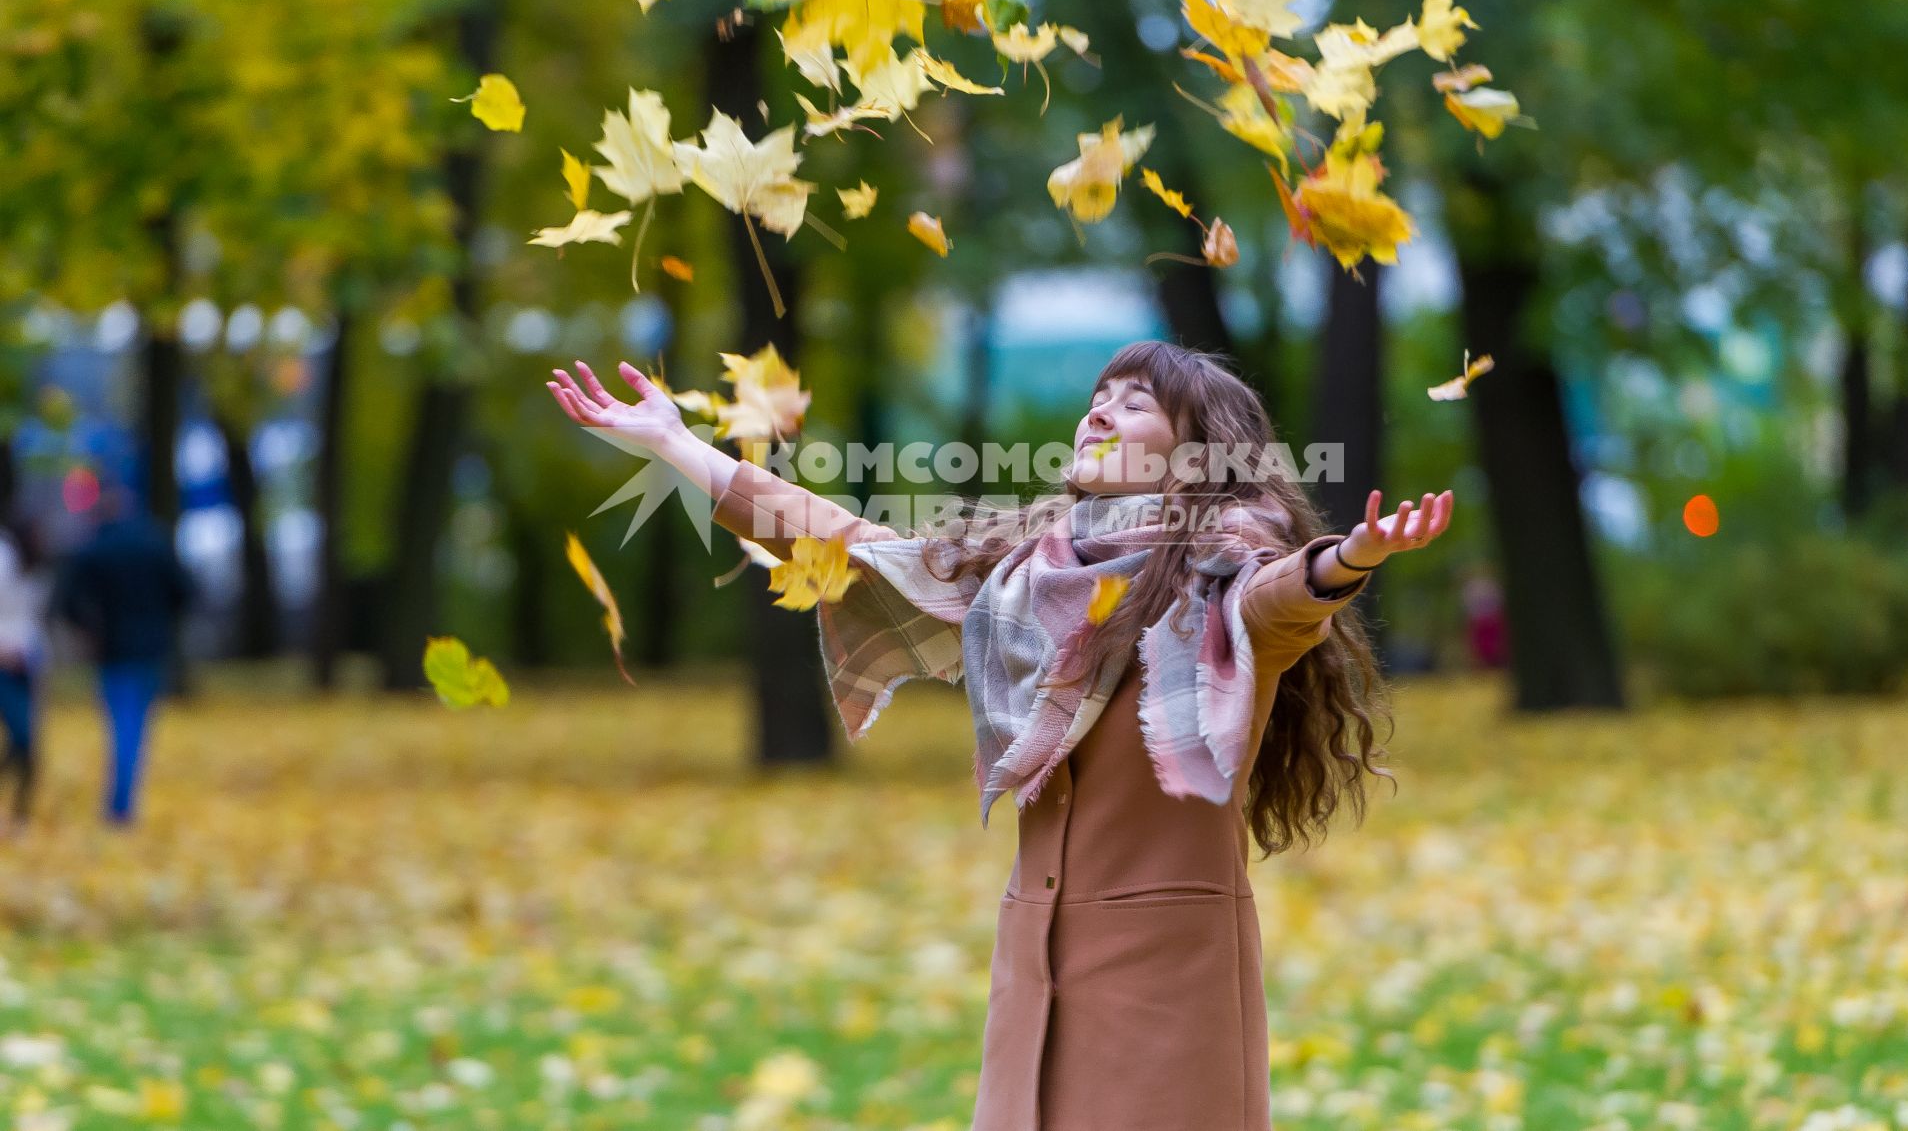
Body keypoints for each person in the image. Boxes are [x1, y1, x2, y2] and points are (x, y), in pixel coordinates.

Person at [548, 340, 1454, 1131]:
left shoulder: (1220, 579)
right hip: (1035, 982)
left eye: (1137, 403)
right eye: (1099, 396)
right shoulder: (1027, 571)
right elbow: (850, 544)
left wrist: (1347, 560)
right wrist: (676, 447)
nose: (1102, 409)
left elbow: (1278, 604)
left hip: (1165, 994)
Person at [52, 484, 196, 826]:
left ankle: (120, 803)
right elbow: (184, 590)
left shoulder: (94, 550)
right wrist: (161, 619)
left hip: (112, 649)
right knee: (137, 724)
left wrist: (89, 629)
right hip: (150, 648)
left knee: (121, 723)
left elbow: (66, 601)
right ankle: (123, 802)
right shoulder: (154, 543)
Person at [0, 516, 51, 833]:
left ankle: (21, 813)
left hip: (29, 659)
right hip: (6, 661)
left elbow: (34, 619)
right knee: (23, 736)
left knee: (29, 741)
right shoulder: (4, 558)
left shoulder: (34, 565)